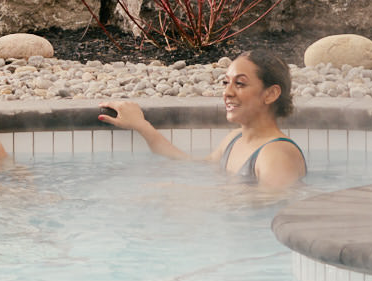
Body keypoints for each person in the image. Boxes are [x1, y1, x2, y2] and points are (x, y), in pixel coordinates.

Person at [96, 50, 308, 189]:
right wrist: (142, 125)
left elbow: (270, 208)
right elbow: (191, 164)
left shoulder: (276, 154)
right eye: (226, 82)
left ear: (270, 94)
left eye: (240, 84)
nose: (227, 92)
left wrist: (191, 195)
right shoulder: (236, 139)